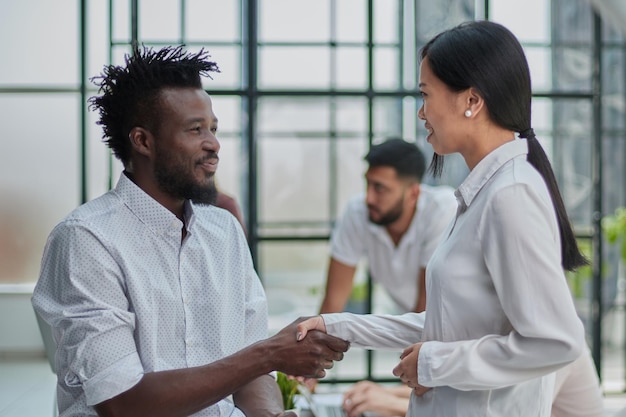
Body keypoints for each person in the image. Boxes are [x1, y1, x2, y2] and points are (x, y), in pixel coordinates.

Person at [31, 45, 349, 417]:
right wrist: (269, 353)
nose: (213, 144)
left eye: (213, 129)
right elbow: (122, 403)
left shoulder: (224, 232)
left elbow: (250, 374)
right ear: (143, 141)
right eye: (195, 130)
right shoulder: (87, 240)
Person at [295, 21, 590, 417]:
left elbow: (557, 341)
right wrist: (336, 326)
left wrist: (434, 363)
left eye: (425, 95)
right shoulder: (485, 193)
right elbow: (447, 326)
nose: (421, 112)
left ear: (471, 100)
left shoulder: (509, 195)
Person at [318, 138, 457, 315]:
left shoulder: (442, 211)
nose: (369, 198)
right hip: (412, 324)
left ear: (413, 194)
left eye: (380, 188)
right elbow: (332, 303)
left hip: (459, 329)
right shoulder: (358, 212)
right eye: (368, 184)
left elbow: (427, 310)